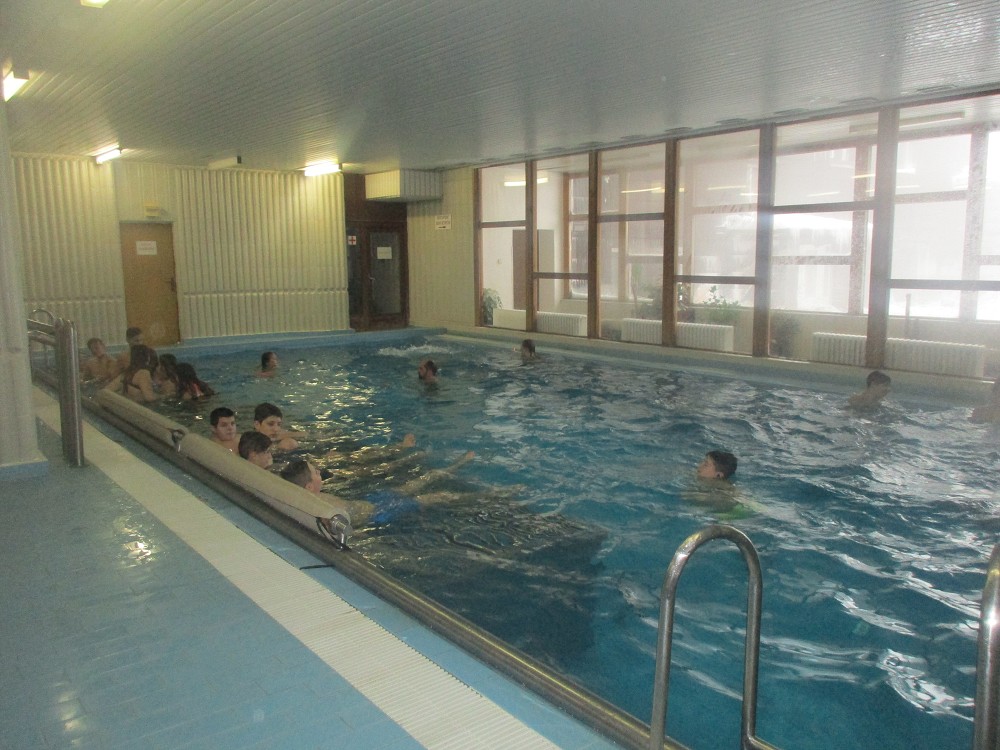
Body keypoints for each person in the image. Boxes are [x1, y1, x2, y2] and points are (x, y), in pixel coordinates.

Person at [282, 450, 476, 527]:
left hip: (371, 501)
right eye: (316, 473)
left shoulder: (310, 497)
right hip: (379, 513)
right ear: (309, 486)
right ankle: (489, 495)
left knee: (425, 478)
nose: (320, 474)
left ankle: (456, 465)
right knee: (441, 496)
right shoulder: (319, 508)